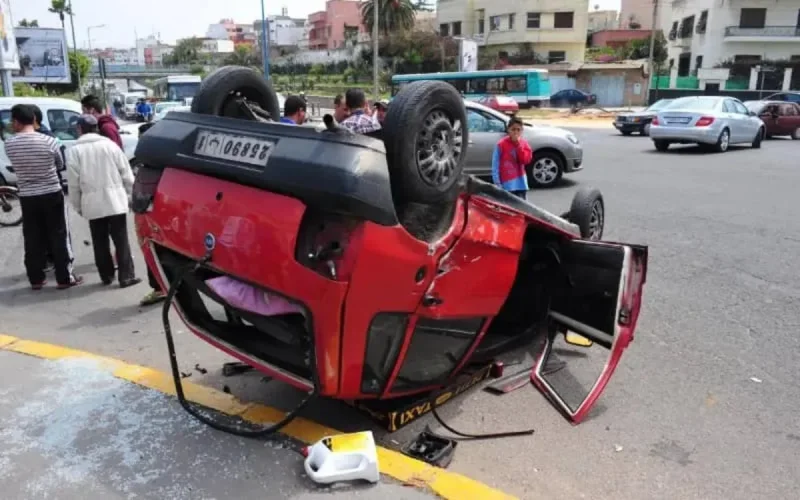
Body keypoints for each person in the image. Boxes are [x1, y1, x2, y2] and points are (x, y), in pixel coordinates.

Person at [5, 104, 82, 290]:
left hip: (27, 196)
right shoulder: (49, 141)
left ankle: (36, 278)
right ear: (34, 120)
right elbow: (59, 163)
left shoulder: (10, 144)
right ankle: (64, 278)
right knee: (58, 235)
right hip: (51, 193)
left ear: (16, 122)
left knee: (32, 236)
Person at [66, 115, 141, 288]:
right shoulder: (110, 146)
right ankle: (126, 276)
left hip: (92, 204)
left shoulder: (75, 151)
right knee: (121, 240)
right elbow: (126, 174)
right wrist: (130, 197)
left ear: (80, 129)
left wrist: (78, 206)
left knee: (100, 242)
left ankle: (106, 276)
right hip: (115, 201)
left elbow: (73, 184)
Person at [30, 105, 73, 273]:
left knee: (57, 229)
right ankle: (50, 259)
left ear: (33, 119)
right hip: (40, 190)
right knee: (42, 229)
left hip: (51, 188)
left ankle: (60, 261)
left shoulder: (48, 137)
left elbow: (61, 162)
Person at [491, 116, 532, 200]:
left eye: (518, 130)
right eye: (513, 129)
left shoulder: (524, 144)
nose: (515, 132)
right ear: (508, 129)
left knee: (521, 208)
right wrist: (497, 182)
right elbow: (495, 164)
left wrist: (518, 145)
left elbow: (525, 160)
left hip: (520, 183)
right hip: (506, 184)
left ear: (522, 131)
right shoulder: (501, 144)